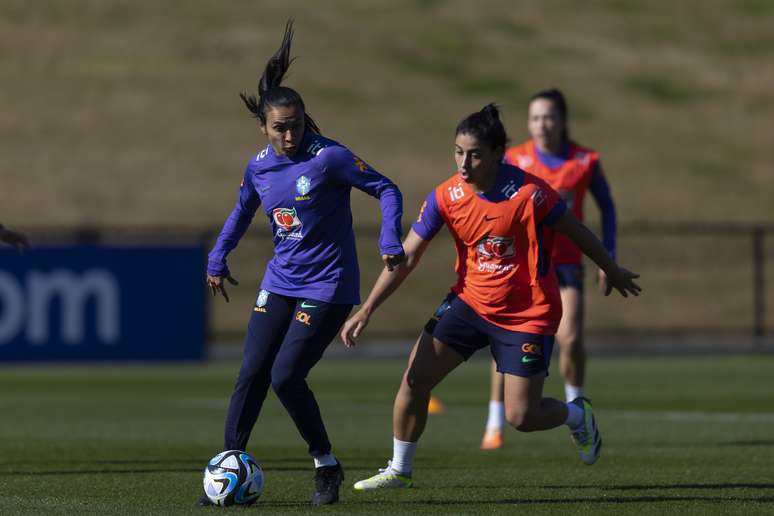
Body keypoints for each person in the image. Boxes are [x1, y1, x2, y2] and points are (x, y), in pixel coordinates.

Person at [341, 104, 640, 490]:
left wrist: (611, 268)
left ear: (499, 153)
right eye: (458, 152)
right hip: (468, 303)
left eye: (475, 153)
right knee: (415, 380)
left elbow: (577, 231)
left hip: (527, 312)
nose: (464, 163)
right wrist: (367, 308)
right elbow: (408, 255)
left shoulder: (530, 194)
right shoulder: (446, 196)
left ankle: (576, 415)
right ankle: (399, 469)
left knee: (521, 417)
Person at [200, 20, 405, 506]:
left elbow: (387, 188)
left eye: (295, 123)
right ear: (264, 127)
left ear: (304, 118)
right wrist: (217, 255)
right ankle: (228, 470)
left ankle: (325, 464)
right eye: (279, 126)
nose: (289, 134)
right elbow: (241, 210)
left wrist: (389, 234)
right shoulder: (259, 167)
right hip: (281, 280)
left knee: (285, 376)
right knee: (250, 374)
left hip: (329, 286)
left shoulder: (328, 157)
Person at [479, 88, 617, 450]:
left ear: (563, 120)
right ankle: (494, 422)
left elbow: (608, 209)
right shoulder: (514, 159)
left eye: (549, 116)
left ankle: (578, 404)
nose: (543, 124)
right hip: (520, 268)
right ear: (529, 122)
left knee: (569, 339)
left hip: (566, 265)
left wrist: (609, 257)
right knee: (503, 345)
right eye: (536, 117)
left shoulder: (585, 161)